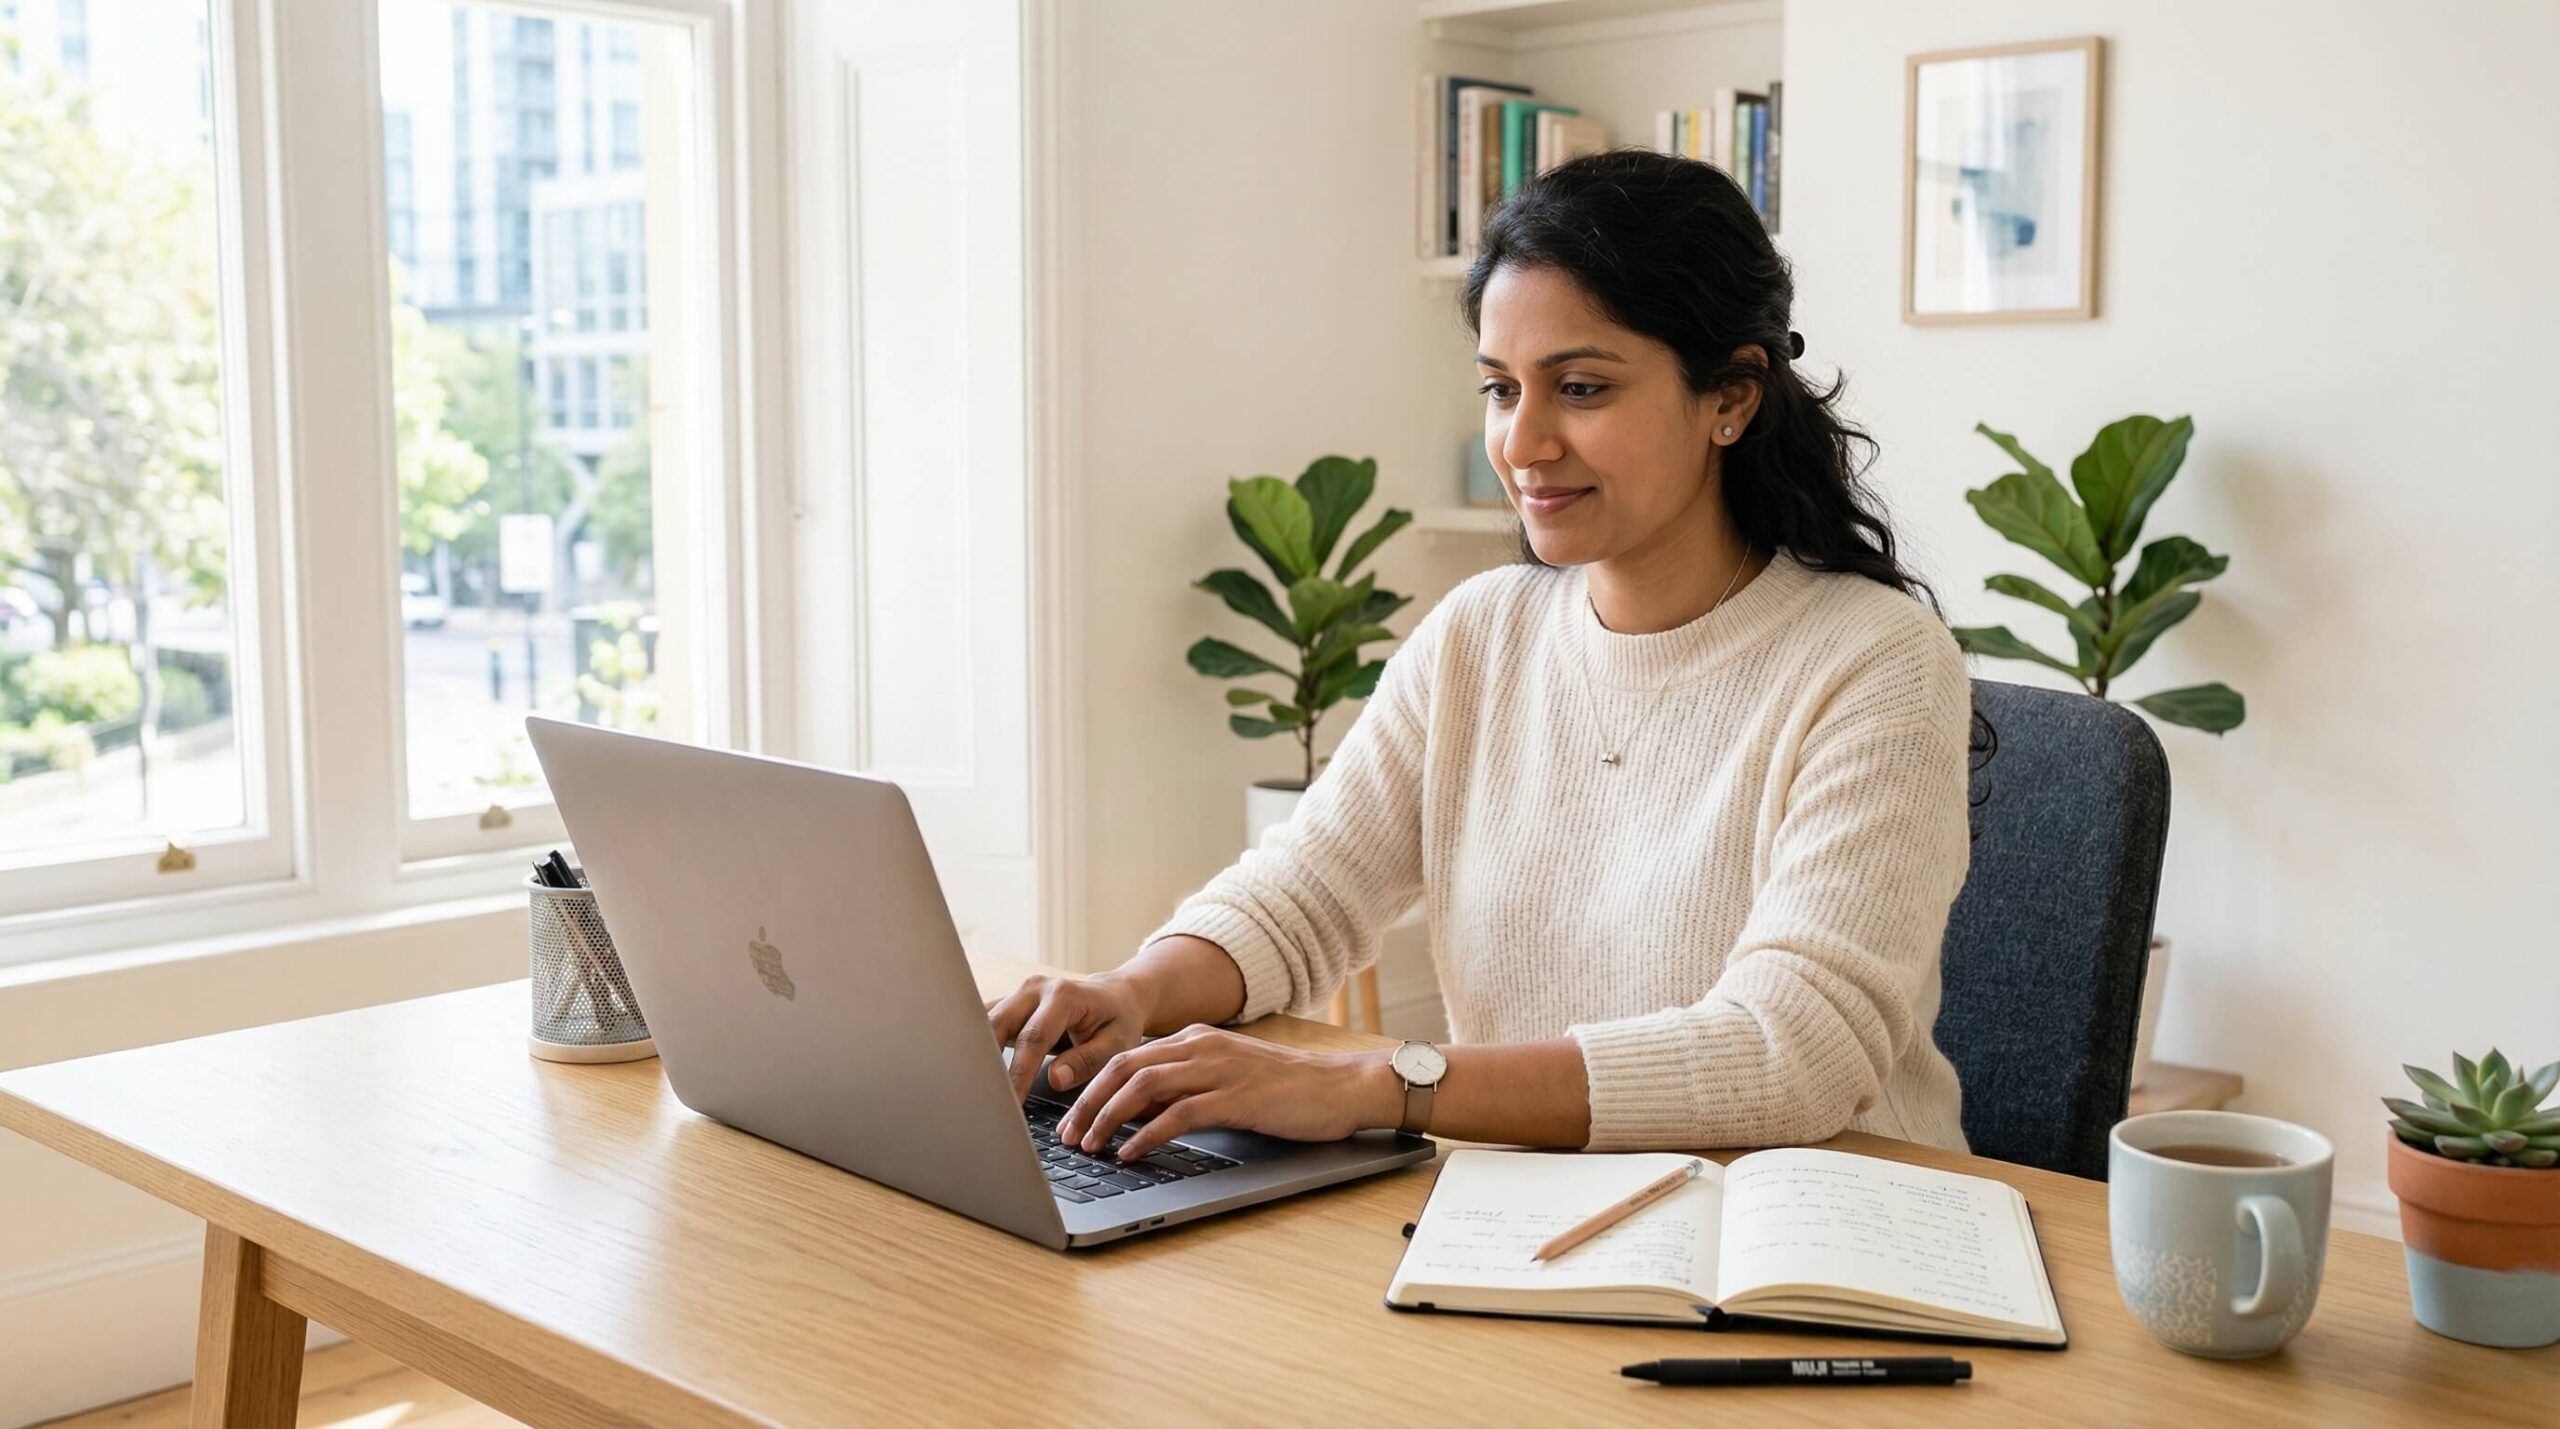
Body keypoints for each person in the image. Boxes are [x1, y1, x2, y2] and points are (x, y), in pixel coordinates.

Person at [988, 148, 1976, 1167]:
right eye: (1501, 390)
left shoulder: (1875, 662)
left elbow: (1791, 1054)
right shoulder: (1482, 633)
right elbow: (1304, 890)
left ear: (1730, 396)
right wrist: (1131, 990)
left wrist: (1371, 1087)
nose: (1524, 442)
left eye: (1580, 388)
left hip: (1804, 1246)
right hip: (1521, 1222)